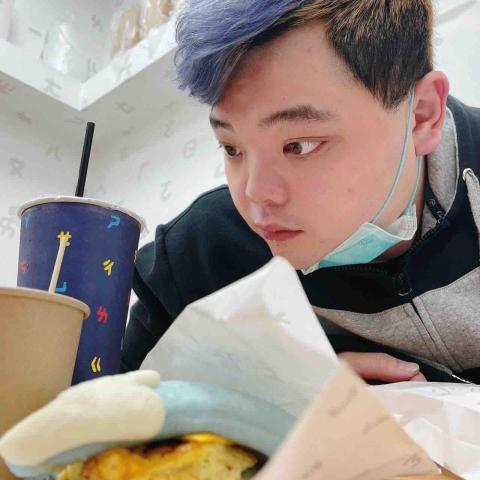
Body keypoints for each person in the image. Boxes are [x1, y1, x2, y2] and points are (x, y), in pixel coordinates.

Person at [121, 0, 480, 384]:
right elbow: (110, 404)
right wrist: (259, 399)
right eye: (232, 148)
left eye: (299, 146)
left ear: (422, 116)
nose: (256, 195)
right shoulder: (200, 260)